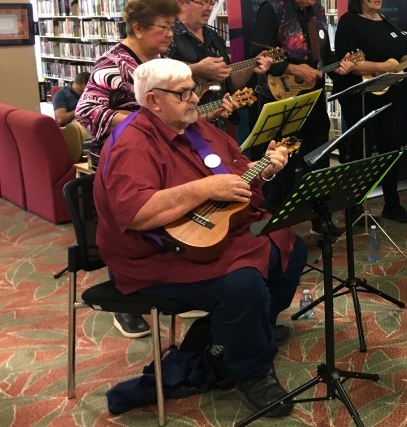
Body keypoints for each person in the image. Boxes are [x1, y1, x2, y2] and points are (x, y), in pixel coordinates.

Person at [93, 58, 306, 417]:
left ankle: (251, 332)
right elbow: (137, 212)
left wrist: (265, 168)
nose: (195, 99)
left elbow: (239, 175)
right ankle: (252, 371)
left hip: (216, 236)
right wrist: (204, 187)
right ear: (154, 101)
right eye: (183, 93)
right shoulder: (132, 142)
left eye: (193, 89)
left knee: (289, 246)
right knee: (242, 285)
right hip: (155, 255)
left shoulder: (195, 127)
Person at [76, 0, 236, 339]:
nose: (169, 34)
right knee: (135, 223)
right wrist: (137, 124)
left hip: (161, 152)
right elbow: (85, 111)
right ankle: (128, 297)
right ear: (137, 28)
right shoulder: (114, 65)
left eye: (171, 26)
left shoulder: (158, 62)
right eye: (163, 27)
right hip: (125, 159)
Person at [249, 0, 355, 232]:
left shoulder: (318, 13)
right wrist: (294, 69)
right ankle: (276, 225)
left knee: (316, 158)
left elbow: (325, 57)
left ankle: (319, 218)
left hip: (313, 99)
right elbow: (257, 56)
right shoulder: (273, 9)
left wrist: (338, 66)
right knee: (280, 163)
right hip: (279, 100)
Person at [331, 0, 407, 224]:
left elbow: (399, 59)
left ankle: (392, 203)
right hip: (362, 98)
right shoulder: (349, 22)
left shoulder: (387, 21)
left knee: (390, 148)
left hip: (391, 96)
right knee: (361, 151)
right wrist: (383, 67)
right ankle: (355, 208)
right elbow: (348, 63)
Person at [167, 0, 270, 132]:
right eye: (202, 2)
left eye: (211, 2)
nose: (209, 8)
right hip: (184, 129)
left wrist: (251, 66)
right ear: (181, 4)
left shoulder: (214, 37)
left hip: (219, 126)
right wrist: (197, 69)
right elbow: (161, 81)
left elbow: (229, 82)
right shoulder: (167, 37)